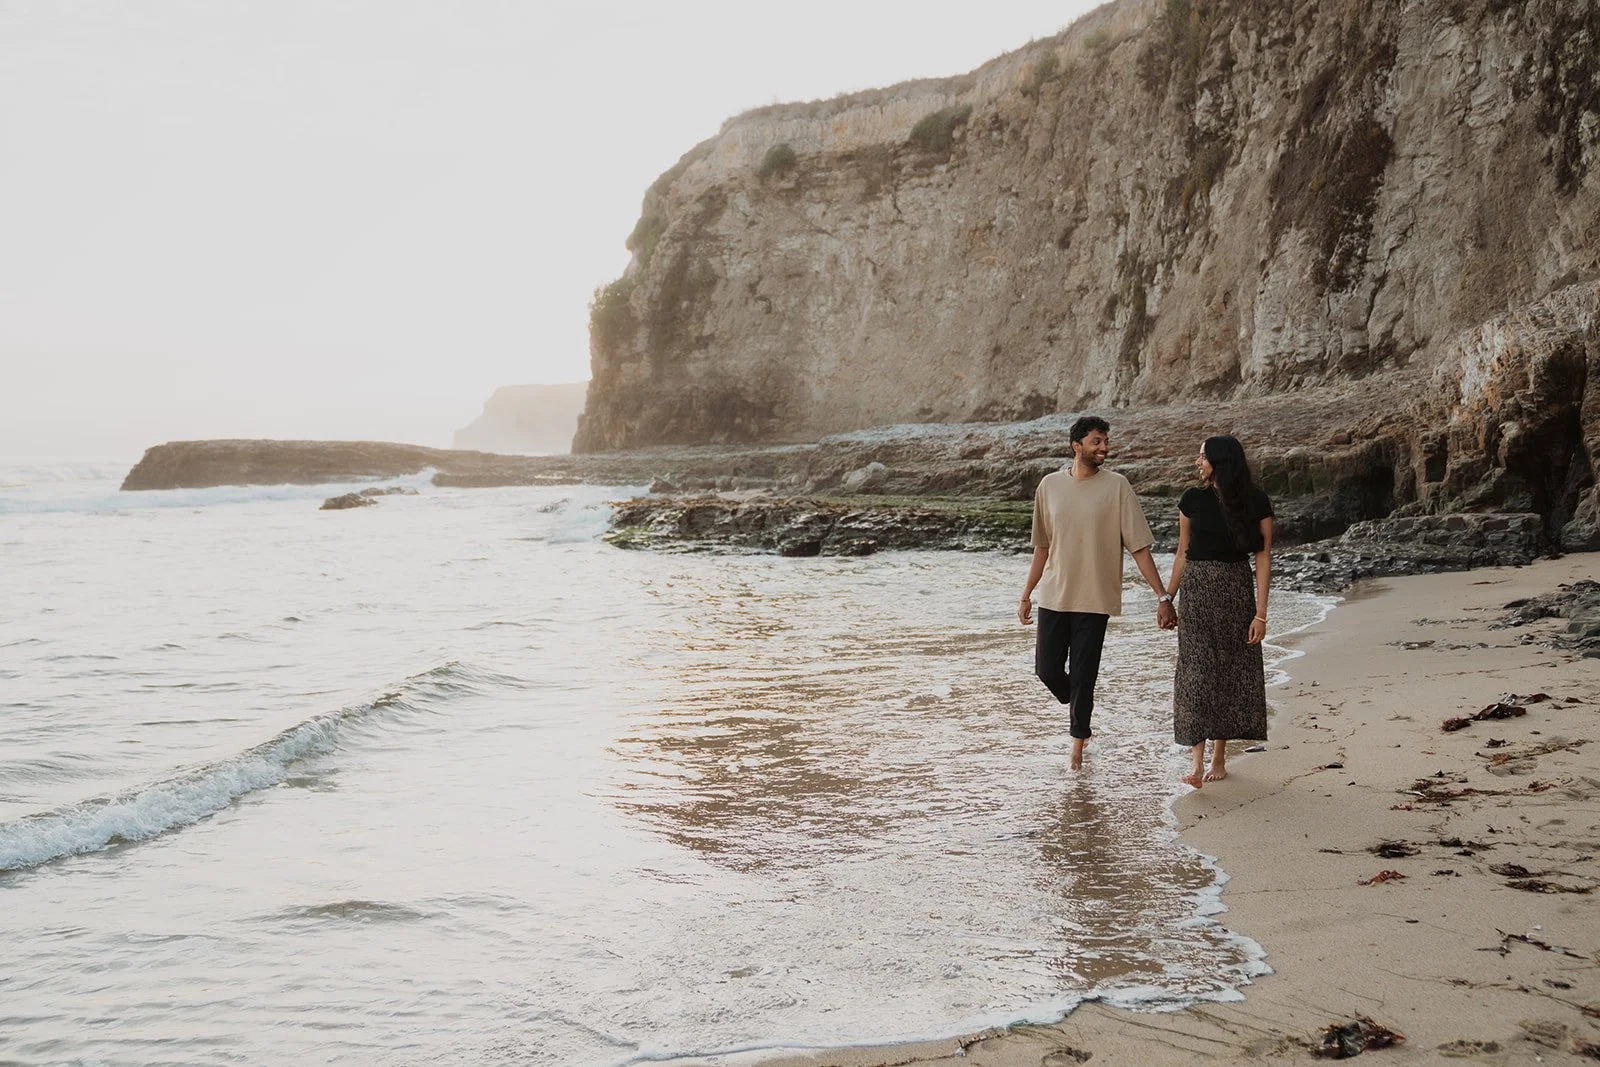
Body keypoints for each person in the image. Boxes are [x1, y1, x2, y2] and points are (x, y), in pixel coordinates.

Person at [1019, 415, 1176, 771]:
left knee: (1085, 674)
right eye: (1096, 441)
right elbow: (1042, 547)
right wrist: (1027, 593)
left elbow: (1138, 547)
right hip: (1054, 595)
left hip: (1095, 598)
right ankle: (1078, 704)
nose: (1104, 447)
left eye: (1105, 441)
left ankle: (1077, 747)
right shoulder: (1049, 486)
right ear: (1077, 446)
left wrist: (1163, 596)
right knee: (1046, 670)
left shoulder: (1117, 487)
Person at [1163, 435, 1274, 788]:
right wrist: (1167, 597)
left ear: (1220, 461)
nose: (1197, 462)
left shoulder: (1256, 501)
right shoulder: (1192, 499)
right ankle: (1195, 763)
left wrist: (1261, 614)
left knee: (1226, 671)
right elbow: (1182, 552)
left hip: (1235, 592)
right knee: (1194, 673)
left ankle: (1218, 757)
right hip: (1194, 593)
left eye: (1202, 457)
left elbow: (1262, 557)